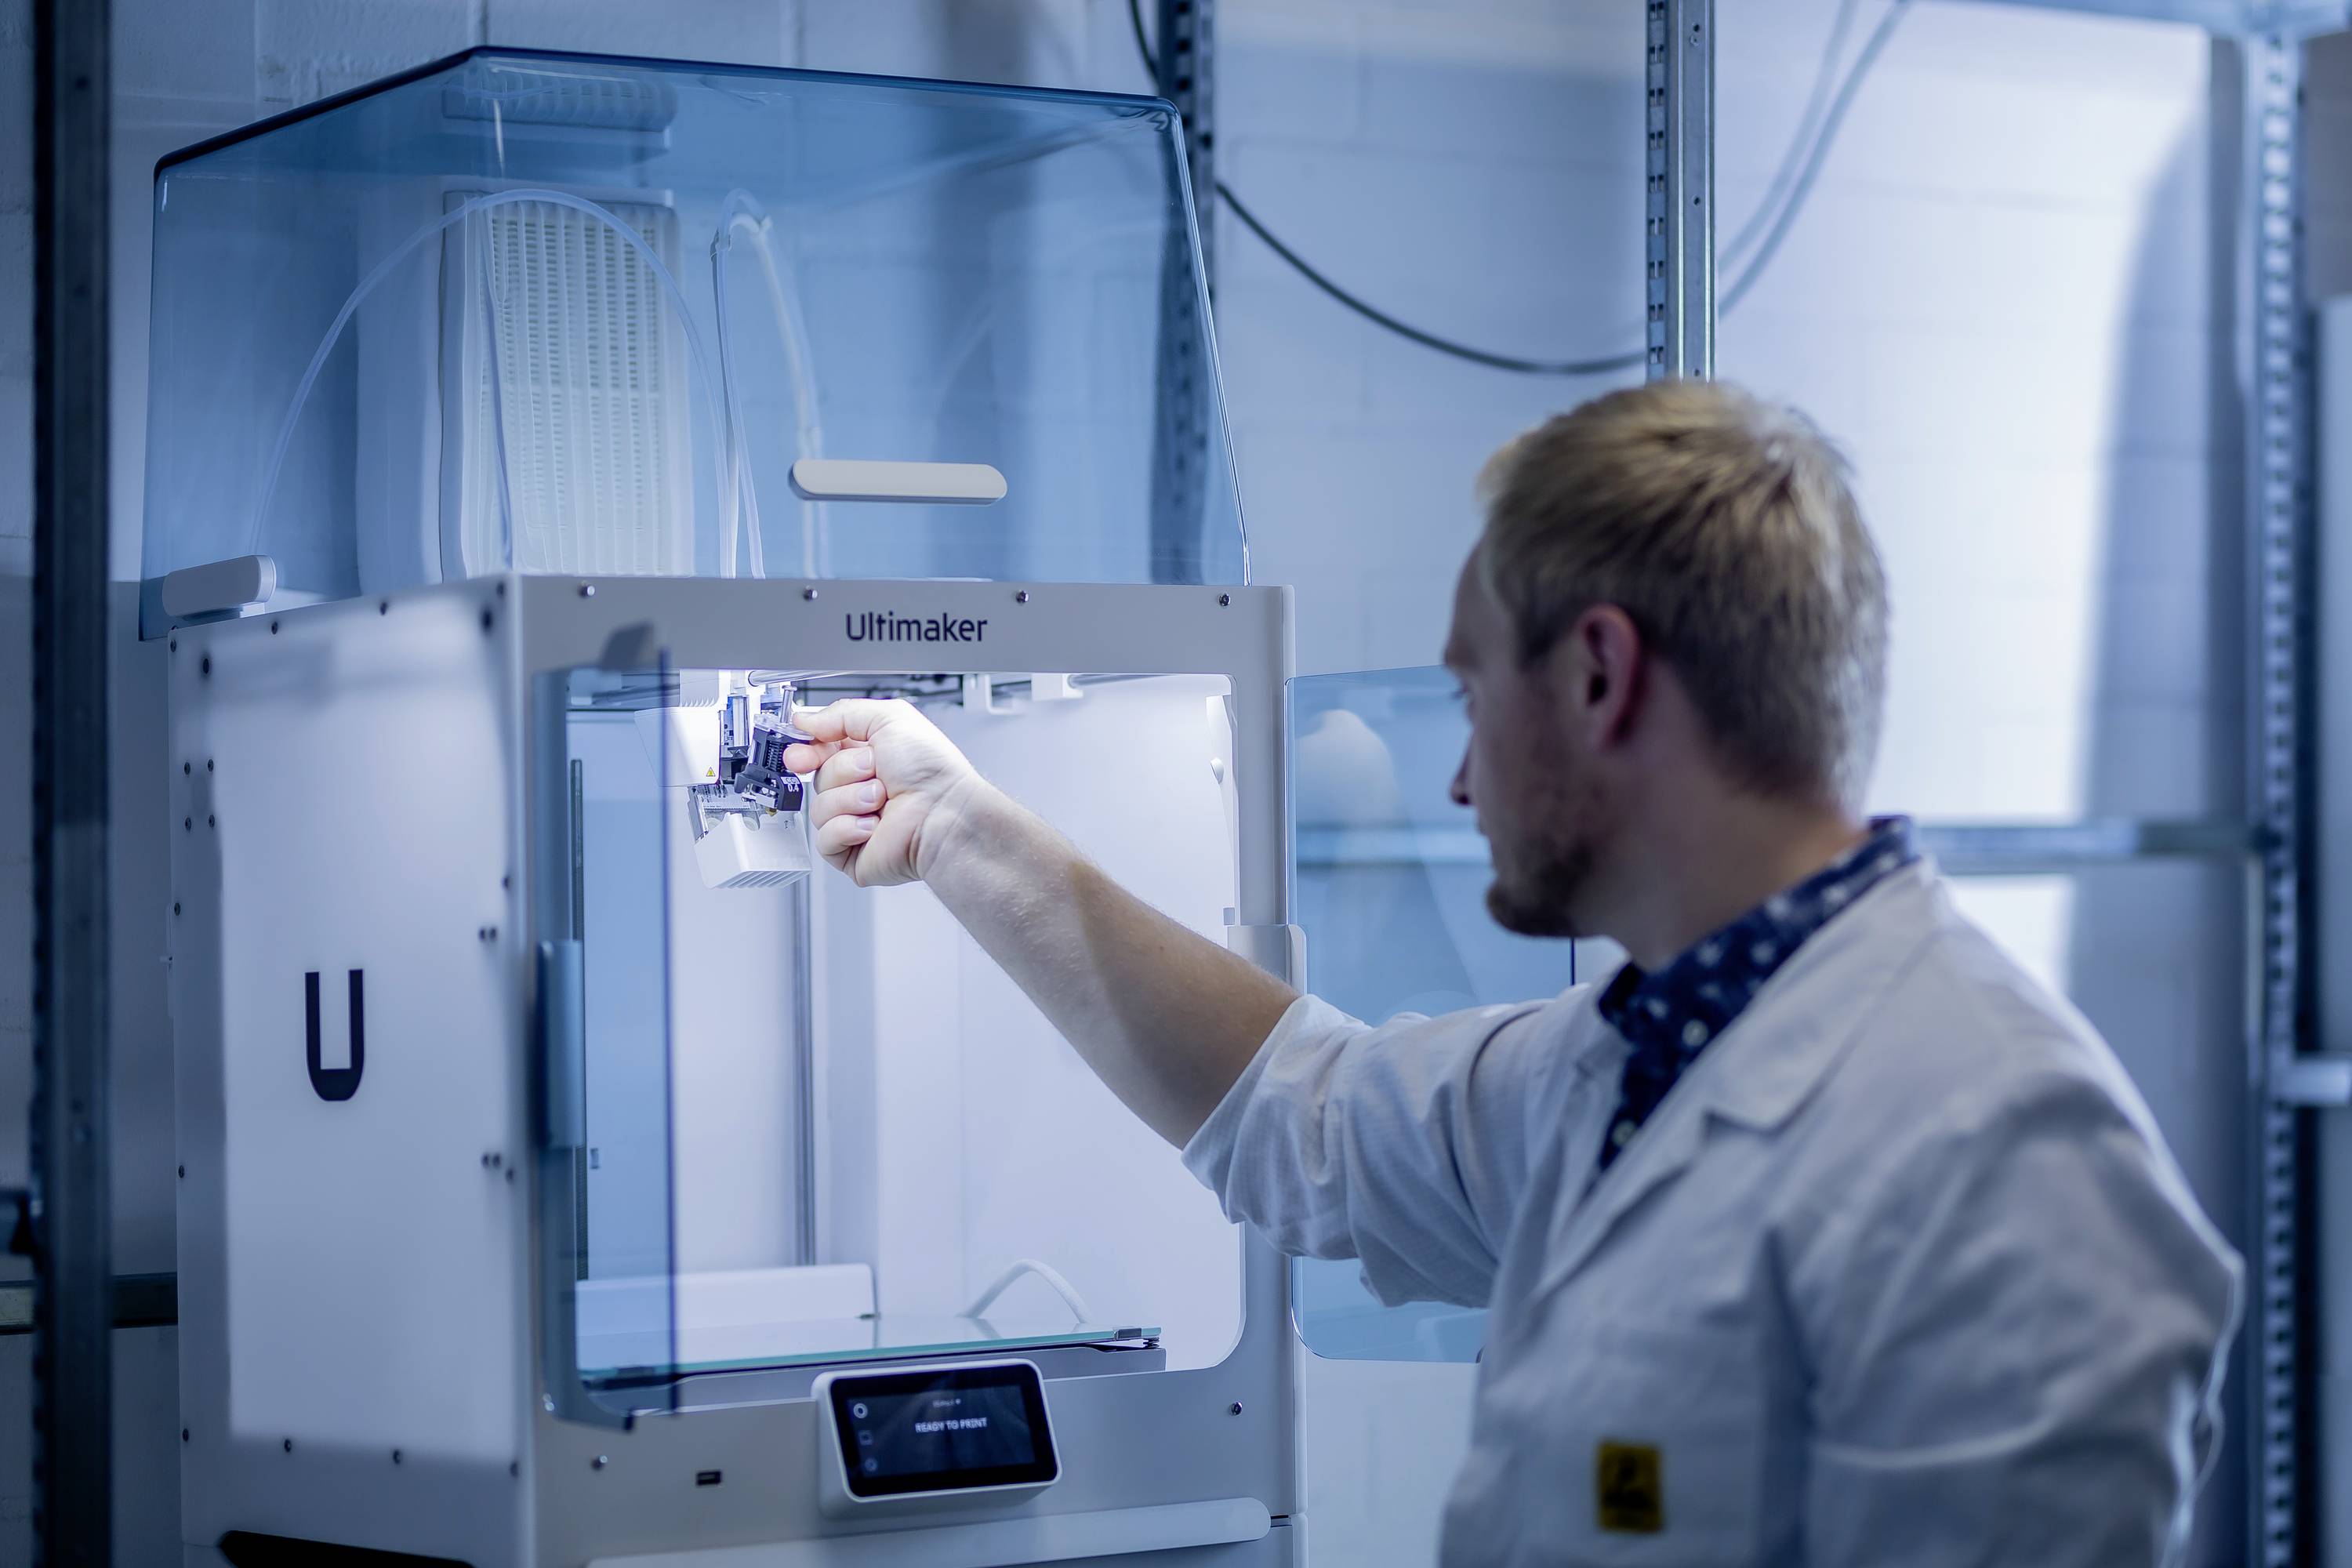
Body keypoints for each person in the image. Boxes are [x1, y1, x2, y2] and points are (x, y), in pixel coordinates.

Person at [783, 380, 2241, 1566]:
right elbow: (1308, 1115)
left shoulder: (2008, 1174)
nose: (1462, 777)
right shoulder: (1627, 1061)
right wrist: (959, 829)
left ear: (1601, 676)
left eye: (1474, 693)